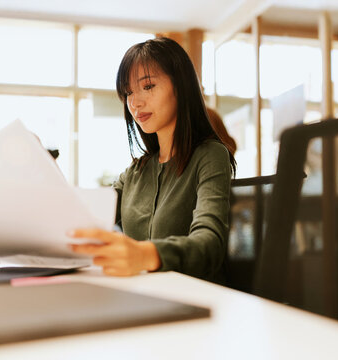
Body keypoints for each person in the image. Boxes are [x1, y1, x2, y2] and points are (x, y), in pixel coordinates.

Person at [67, 37, 236, 283]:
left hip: (192, 299)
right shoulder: (136, 171)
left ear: (181, 87)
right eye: (128, 93)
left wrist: (145, 255)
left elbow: (209, 244)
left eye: (148, 86)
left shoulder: (210, 156)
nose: (135, 103)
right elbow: (86, 220)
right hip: (143, 294)